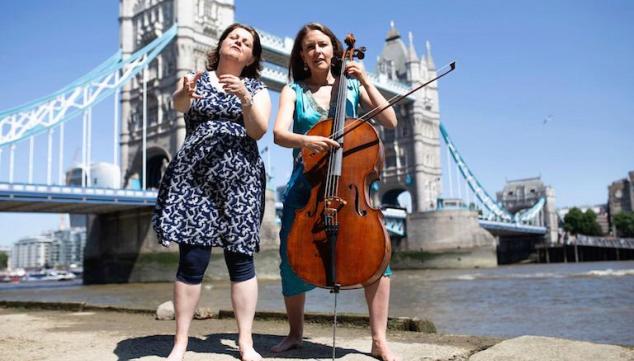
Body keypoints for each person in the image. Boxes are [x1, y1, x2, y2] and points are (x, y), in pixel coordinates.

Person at [271, 23, 399, 361]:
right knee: (290, 259)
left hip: (351, 188)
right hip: (307, 187)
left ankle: (378, 339)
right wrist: (306, 140)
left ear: (333, 50)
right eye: (310, 46)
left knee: (378, 260)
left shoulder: (353, 88)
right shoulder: (292, 92)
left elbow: (390, 121)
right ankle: (296, 333)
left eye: (323, 44)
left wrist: (365, 80)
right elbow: (279, 134)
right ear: (302, 55)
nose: (317, 51)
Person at [152, 23, 271, 361]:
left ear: (251, 57)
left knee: (241, 258)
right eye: (234, 36)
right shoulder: (197, 78)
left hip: (241, 181)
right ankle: (180, 343)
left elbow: (258, 130)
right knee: (192, 259)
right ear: (220, 45)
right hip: (195, 180)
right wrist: (185, 93)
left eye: (246, 41)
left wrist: (244, 98)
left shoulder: (256, 88)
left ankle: (245, 342)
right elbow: (178, 106)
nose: (239, 41)